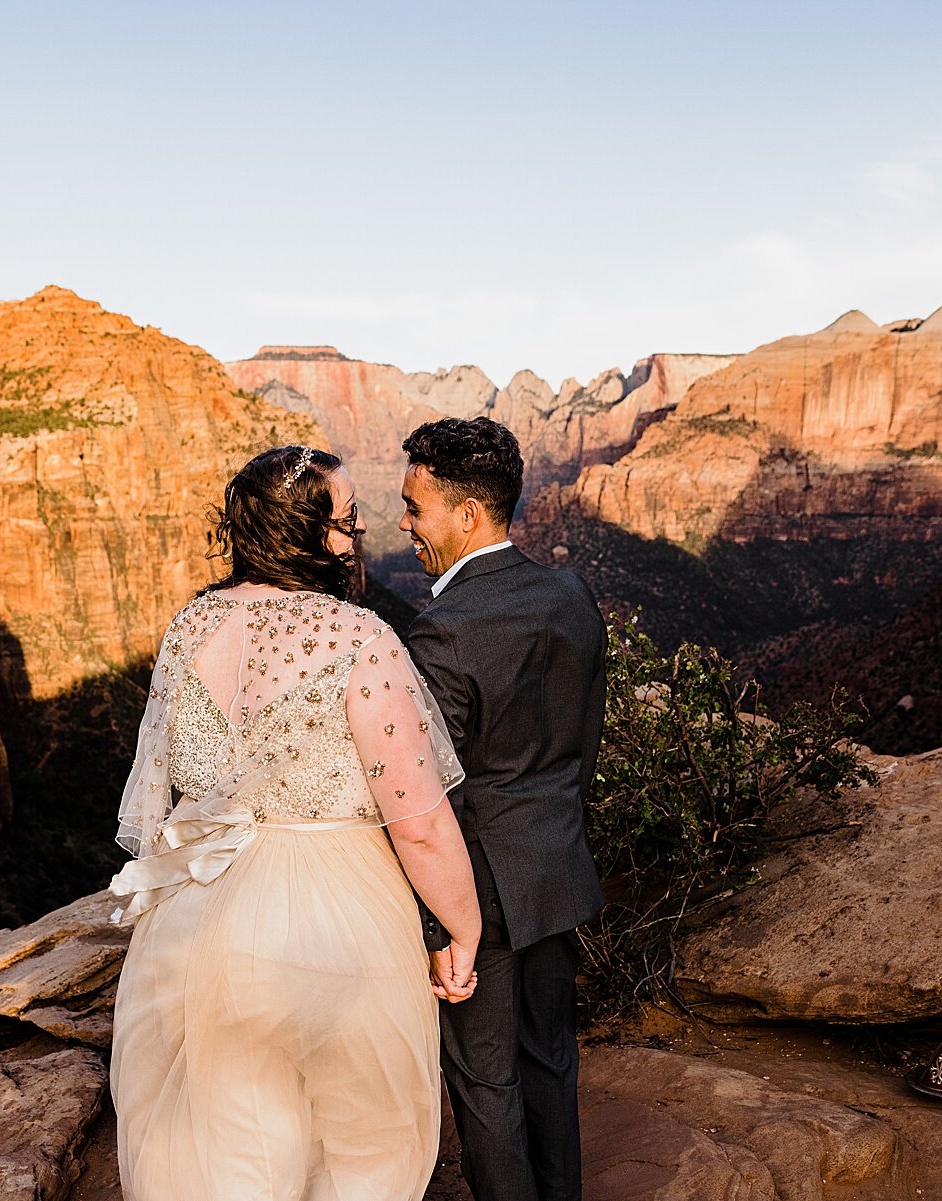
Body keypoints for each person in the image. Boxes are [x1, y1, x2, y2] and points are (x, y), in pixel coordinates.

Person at [107, 444, 482, 1201]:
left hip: (201, 914)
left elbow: (182, 783)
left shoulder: (189, 629)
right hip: (339, 919)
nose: (360, 534)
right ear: (310, 536)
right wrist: (461, 928)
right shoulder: (361, 639)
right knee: (363, 1142)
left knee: (225, 1144)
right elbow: (418, 821)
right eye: (349, 521)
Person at [399, 417, 607, 1201]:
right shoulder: (570, 592)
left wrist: (440, 926)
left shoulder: (441, 632)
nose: (404, 525)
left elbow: (432, 799)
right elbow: (584, 740)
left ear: (468, 516)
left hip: (477, 894)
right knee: (550, 1057)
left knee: (486, 1085)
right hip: (556, 867)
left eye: (415, 508)